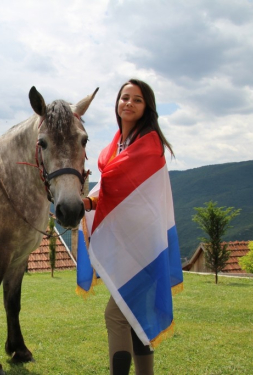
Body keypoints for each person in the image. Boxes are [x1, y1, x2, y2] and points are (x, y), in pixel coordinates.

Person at [79, 79, 183, 375]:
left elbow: (126, 194)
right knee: (136, 316)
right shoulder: (116, 147)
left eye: (137, 99)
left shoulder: (148, 145)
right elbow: (110, 190)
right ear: (117, 103)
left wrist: (88, 202)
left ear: (146, 107)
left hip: (144, 248)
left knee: (117, 315)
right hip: (131, 247)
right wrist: (86, 203)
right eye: (124, 97)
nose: (128, 103)